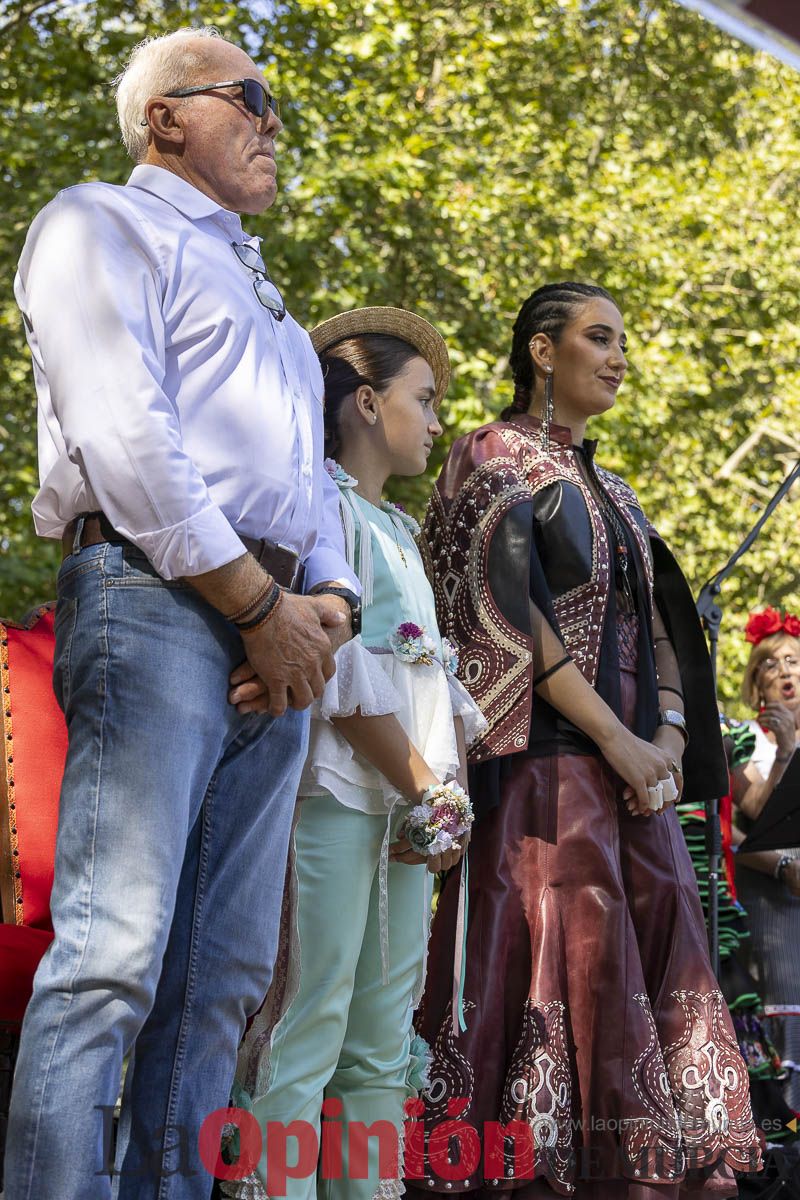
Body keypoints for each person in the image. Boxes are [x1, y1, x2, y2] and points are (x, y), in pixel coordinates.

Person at [6, 27, 360, 1200]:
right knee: (112, 957)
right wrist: (260, 605)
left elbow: (315, 493)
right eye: (251, 97)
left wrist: (326, 611)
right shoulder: (97, 221)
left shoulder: (265, 298)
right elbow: (123, 436)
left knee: (224, 974)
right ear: (165, 117)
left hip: (278, 633)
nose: (274, 122)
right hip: (154, 600)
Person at [405, 283, 761, 1198]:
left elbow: (662, 628)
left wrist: (671, 737)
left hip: (637, 776)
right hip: (546, 772)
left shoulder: (619, 487)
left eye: (623, 342)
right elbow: (507, 613)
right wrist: (618, 741)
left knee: (657, 958)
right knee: (565, 953)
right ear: (539, 351)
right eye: (598, 338)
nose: (618, 356)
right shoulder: (492, 454)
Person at [223, 307, 487, 1200]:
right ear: (367, 403)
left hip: (410, 815)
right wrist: (426, 788)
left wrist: (438, 799)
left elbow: (427, 685)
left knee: (382, 1038)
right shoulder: (322, 511)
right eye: (427, 397)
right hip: (336, 798)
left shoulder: (402, 533)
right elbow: (336, 676)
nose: (440, 417)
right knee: (312, 1012)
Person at [732, 607, 800, 1110]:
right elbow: (746, 816)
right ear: (757, 682)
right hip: (772, 899)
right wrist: (785, 750)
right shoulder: (745, 739)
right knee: (783, 1005)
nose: (785, 672)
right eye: (771, 664)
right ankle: (784, 1129)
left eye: (794, 661)